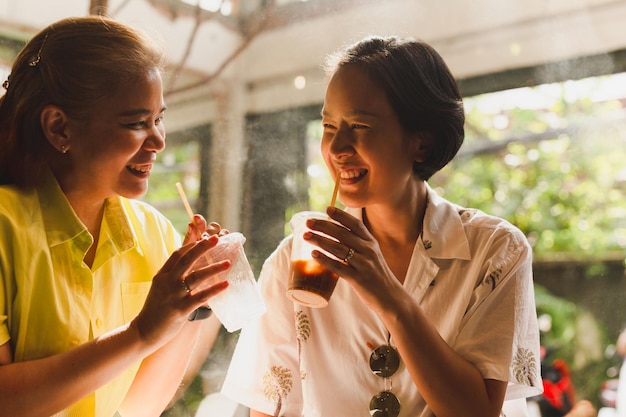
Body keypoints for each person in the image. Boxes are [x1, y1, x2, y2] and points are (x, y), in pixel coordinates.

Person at [221, 35, 543, 416]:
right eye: (328, 126)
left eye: (359, 125)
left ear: (421, 143)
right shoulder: (295, 258)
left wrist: (390, 296)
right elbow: (269, 409)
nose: (337, 148)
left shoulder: (494, 250)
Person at [0, 16, 231, 417]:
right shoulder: (6, 227)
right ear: (59, 127)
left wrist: (194, 302)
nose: (159, 141)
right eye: (136, 123)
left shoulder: (154, 232)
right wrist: (140, 333)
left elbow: (140, 406)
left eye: (159, 118)